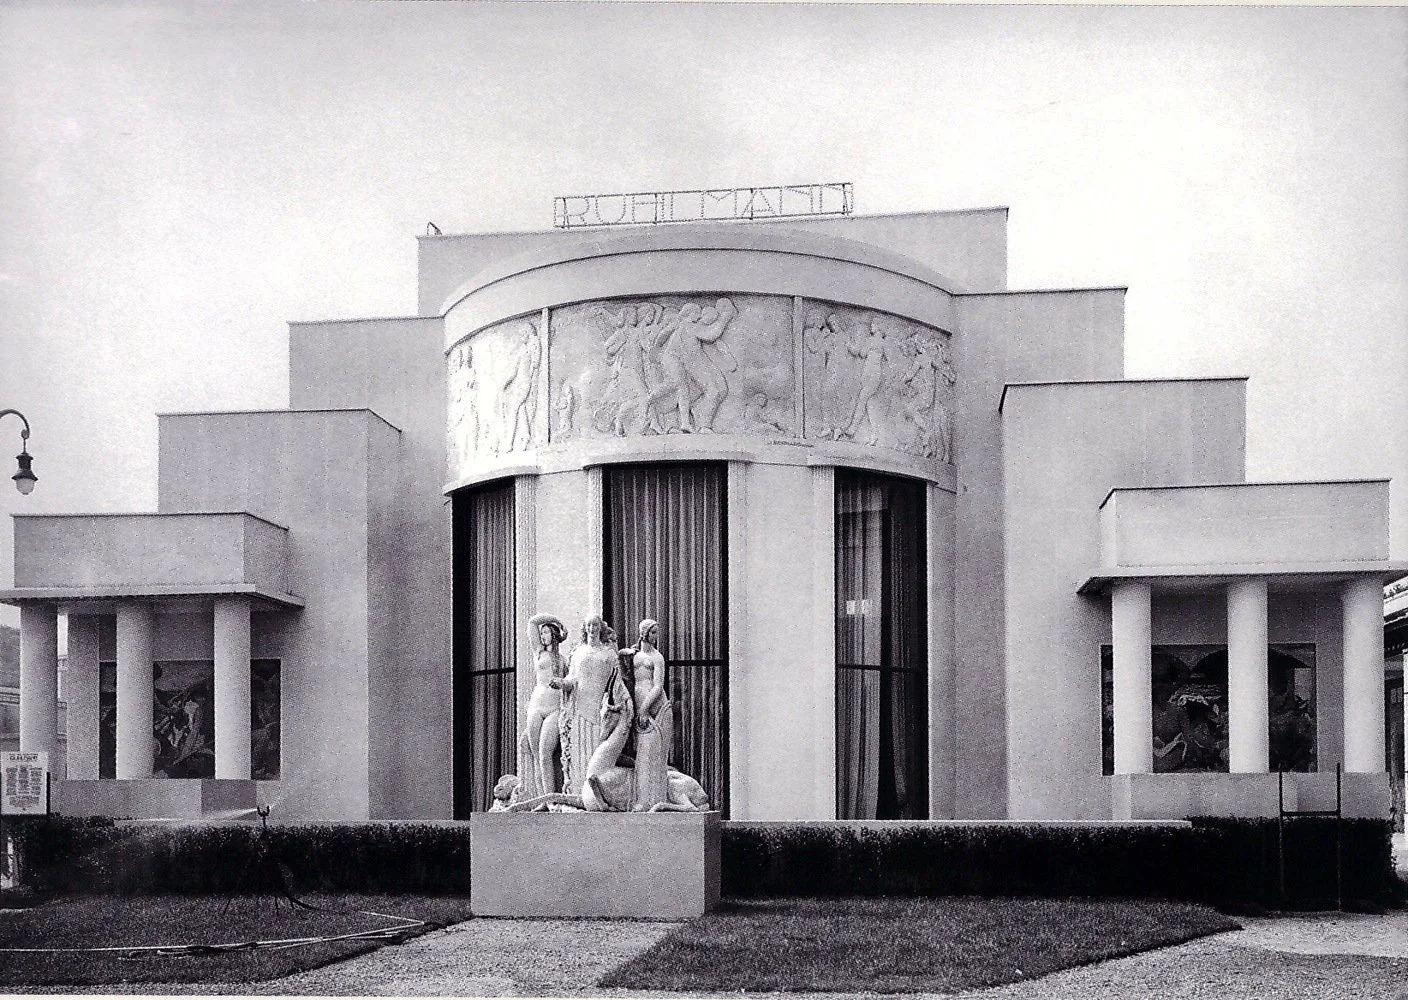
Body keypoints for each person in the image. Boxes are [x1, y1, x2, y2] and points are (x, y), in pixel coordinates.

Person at [550, 615, 631, 796]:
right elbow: (572, 679)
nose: (591, 628)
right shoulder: (578, 652)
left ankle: (595, 795)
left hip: (599, 712)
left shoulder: (609, 653)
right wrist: (561, 683)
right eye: (588, 625)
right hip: (580, 709)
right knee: (579, 752)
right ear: (584, 628)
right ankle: (578, 793)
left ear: (600, 628)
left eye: (595, 625)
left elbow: (617, 682)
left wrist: (626, 701)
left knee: (596, 752)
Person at [622, 619, 672, 810]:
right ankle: (642, 799)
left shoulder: (657, 658)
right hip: (639, 711)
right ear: (644, 633)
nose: (655, 637)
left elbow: (658, 686)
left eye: (656, 633)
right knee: (642, 755)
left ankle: (650, 800)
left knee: (651, 755)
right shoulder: (635, 655)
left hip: (655, 711)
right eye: (652, 633)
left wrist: (644, 709)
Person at [518, 613, 568, 798]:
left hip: (554, 708)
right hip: (537, 705)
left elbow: (571, 685)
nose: (543, 636)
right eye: (542, 633)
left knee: (545, 754)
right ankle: (542, 799)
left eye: (546, 632)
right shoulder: (538, 652)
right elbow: (532, 621)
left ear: (554, 635)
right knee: (536, 754)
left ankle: (550, 797)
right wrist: (558, 620)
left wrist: (562, 682)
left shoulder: (563, 660)